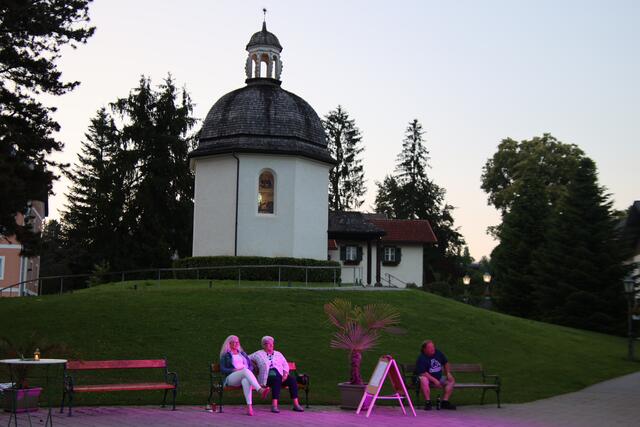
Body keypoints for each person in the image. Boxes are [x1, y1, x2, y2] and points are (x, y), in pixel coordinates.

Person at [249, 336, 305, 413]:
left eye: (272, 343)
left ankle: (296, 404)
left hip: (280, 375)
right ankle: (274, 405)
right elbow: (247, 358)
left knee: (292, 380)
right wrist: (254, 366)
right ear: (264, 345)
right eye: (269, 343)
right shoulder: (258, 354)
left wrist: (285, 374)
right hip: (267, 377)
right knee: (276, 379)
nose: (271, 345)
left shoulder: (278, 354)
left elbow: (285, 364)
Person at [219, 335, 270, 416]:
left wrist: (247, 370)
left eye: (237, 342)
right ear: (229, 344)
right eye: (234, 342)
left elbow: (250, 366)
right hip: (231, 377)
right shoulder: (226, 355)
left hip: (243, 375)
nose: (236, 344)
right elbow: (222, 369)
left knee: (246, 381)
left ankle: (249, 409)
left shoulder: (242, 354)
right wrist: (234, 370)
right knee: (245, 370)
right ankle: (260, 389)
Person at [414, 339, 456, 410]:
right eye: (430, 347)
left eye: (433, 347)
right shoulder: (421, 358)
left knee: (451, 380)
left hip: (438, 377)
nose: (432, 349)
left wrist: (448, 373)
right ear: (424, 349)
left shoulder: (438, 353)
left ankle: (445, 402)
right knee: (423, 379)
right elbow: (423, 373)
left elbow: (446, 362)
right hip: (426, 378)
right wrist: (435, 380)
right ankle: (428, 402)